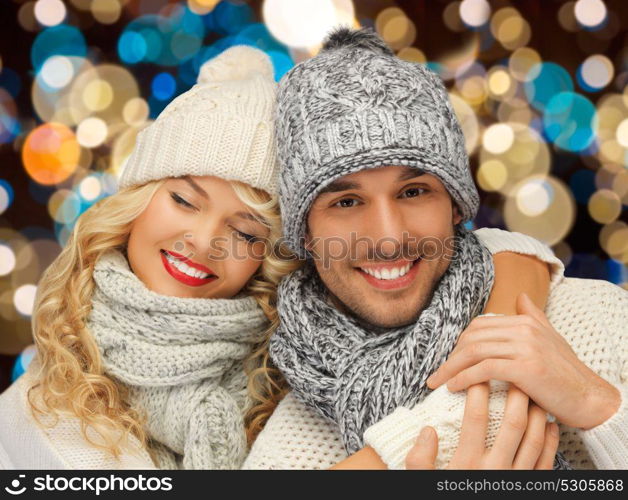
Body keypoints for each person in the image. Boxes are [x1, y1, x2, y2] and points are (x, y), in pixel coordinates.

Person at [243, 28, 627, 470]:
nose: (389, 238)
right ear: (304, 234)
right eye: (346, 202)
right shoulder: (286, 452)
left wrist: (601, 409)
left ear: (454, 206)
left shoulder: (596, 325)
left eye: (414, 192)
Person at [0, 46, 299, 469]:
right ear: (137, 202)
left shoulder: (298, 396)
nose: (203, 241)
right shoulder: (23, 419)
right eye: (183, 200)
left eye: (245, 231)